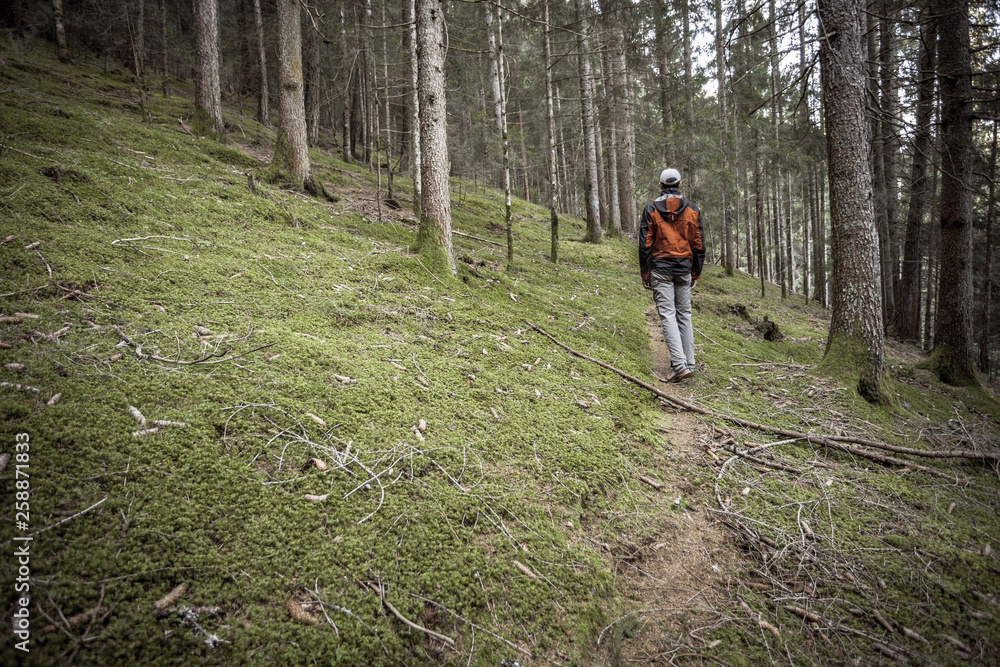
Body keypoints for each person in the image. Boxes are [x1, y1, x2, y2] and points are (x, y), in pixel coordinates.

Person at [638, 168, 705, 382]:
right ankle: (689, 363)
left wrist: (644, 271)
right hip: (684, 268)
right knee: (684, 314)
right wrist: (696, 272)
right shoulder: (693, 209)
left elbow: (644, 245)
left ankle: (679, 365)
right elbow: (698, 245)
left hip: (660, 268)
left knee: (668, 314)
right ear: (680, 184)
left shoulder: (651, 209)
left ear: (660, 186)